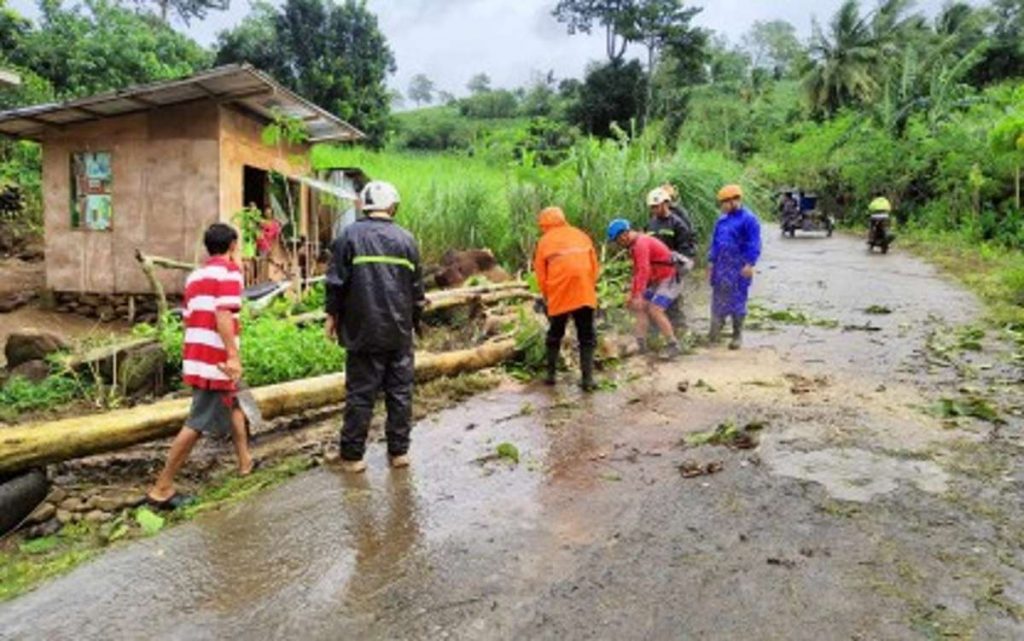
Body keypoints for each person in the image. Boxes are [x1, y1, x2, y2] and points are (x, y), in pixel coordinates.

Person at [146, 223, 254, 509]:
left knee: (233, 403)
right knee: (197, 422)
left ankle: (245, 462)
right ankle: (162, 488)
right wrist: (232, 355)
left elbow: (188, 318)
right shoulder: (230, 273)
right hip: (216, 359)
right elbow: (222, 316)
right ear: (232, 246)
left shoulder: (195, 276)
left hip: (197, 354)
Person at [325, 181, 426, 474]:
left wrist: (332, 317)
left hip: (362, 330)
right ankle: (399, 453)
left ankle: (353, 457)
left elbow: (335, 283)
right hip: (399, 330)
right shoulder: (407, 240)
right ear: (392, 206)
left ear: (365, 205)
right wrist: (415, 324)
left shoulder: (348, 236)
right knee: (400, 392)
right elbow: (417, 290)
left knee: (360, 393)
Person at [533, 206, 600, 391]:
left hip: (559, 291)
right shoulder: (581, 235)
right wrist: (589, 285)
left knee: (555, 333)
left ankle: (551, 376)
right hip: (584, 291)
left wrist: (547, 296)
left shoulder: (545, 241)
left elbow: (541, 273)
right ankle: (588, 380)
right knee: (587, 335)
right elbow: (594, 266)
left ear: (545, 224)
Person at [607, 218, 683, 359]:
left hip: (670, 278)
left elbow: (643, 270)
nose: (618, 244)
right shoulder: (634, 245)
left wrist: (638, 295)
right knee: (638, 307)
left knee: (655, 309)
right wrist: (634, 295)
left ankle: (673, 344)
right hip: (657, 280)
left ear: (624, 235)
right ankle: (640, 343)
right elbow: (637, 273)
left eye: (617, 240)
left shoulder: (640, 244)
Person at [708, 184, 762, 350]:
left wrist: (749, 263)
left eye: (724, 203)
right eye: (721, 203)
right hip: (721, 265)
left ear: (734, 201)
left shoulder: (749, 219)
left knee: (737, 299)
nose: (722, 206)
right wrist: (711, 262)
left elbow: (754, 243)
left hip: (739, 266)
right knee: (718, 297)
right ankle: (715, 330)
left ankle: (737, 334)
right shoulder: (722, 220)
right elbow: (715, 242)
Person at [647, 186, 697, 331]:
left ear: (666, 203)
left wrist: (677, 267)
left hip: (672, 269)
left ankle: (680, 331)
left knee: (672, 303)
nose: (655, 210)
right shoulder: (651, 223)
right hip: (656, 271)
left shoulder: (678, 223)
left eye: (657, 206)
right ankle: (657, 333)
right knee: (653, 301)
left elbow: (685, 251)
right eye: (652, 207)